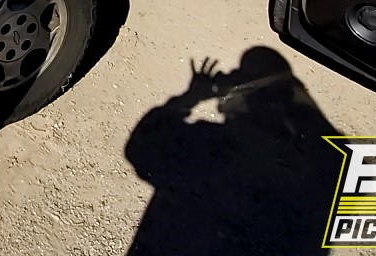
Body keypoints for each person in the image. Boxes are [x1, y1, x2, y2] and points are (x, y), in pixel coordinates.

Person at [124, 47, 342, 255]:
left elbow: (140, 147)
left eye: (237, 75)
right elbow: (337, 159)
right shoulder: (305, 170)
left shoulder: (209, 145)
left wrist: (191, 97)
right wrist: (295, 108)